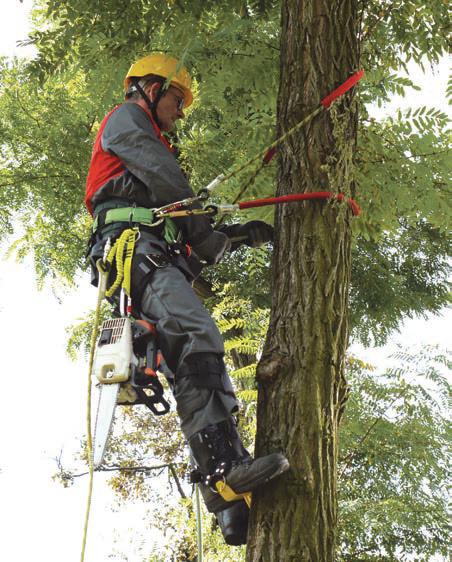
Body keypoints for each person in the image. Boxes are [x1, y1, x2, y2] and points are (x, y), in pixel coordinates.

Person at [85, 53, 289, 544]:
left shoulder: (150, 167)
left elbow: (189, 240)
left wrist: (234, 237)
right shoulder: (127, 119)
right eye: (177, 99)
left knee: (188, 353)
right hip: (135, 251)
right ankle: (222, 467)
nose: (180, 111)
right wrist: (203, 232)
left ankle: (225, 491)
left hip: (151, 253)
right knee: (196, 333)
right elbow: (171, 187)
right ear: (151, 89)